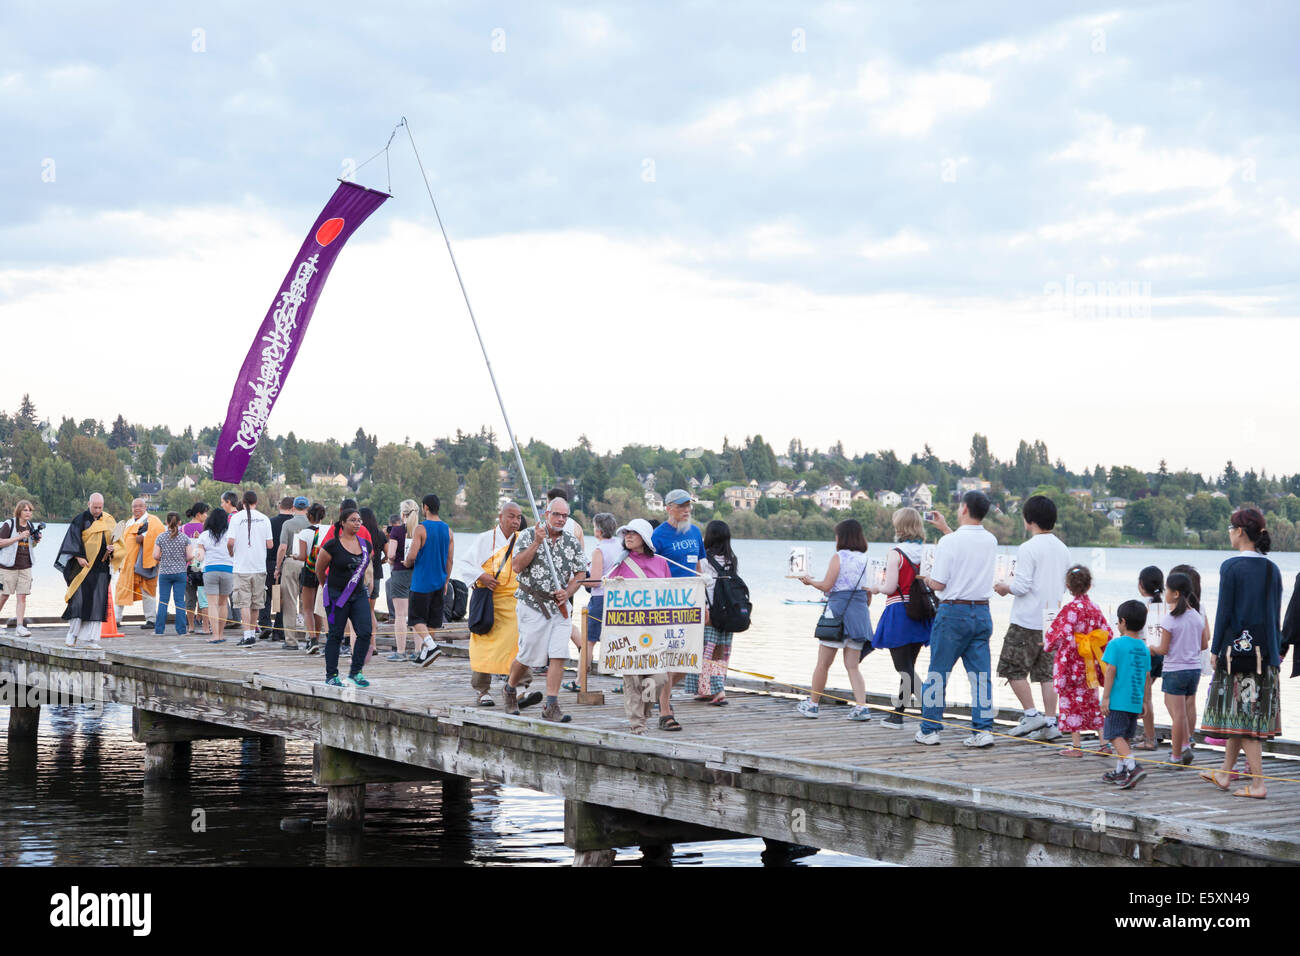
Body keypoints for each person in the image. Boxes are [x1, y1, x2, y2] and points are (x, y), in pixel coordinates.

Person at [1200, 508, 1282, 799]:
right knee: (1240, 714)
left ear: (1240, 532)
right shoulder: (1272, 568)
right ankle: (1224, 773)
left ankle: (1258, 784)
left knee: (1245, 720)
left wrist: (1216, 649)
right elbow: (1274, 616)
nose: (1229, 532)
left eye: (1230, 527)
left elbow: (1224, 612)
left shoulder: (1232, 566)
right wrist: (1277, 650)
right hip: (1266, 654)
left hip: (1238, 656)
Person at [916, 492, 997, 748]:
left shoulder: (949, 543)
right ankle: (983, 730)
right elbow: (966, 545)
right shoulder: (991, 540)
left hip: (953, 612)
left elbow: (939, 582)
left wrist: (926, 579)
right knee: (980, 675)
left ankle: (930, 729)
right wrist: (946, 529)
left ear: (963, 508)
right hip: (982, 612)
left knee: (938, 672)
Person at [503, 495, 588, 723]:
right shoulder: (529, 535)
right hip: (532, 603)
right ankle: (510, 688)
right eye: (556, 514)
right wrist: (536, 544)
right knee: (528, 654)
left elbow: (581, 573)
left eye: (565, 515)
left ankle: (551, 704)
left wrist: (569, 592)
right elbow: (518, 566)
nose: (560, 519)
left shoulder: (571, 541)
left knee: (560, 654)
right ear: (546, 514)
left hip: (560, 607)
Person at [994, 494, 1070, 741]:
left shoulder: (1028, 548)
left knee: (1012, 668)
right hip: (1052, 620)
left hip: (1026, 619)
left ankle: (1031, 714)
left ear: (1029, 520)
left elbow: (1022, 585)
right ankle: (1050, 722)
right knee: (1046, 674)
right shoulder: (1063, 548)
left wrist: (1005, 587)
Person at [796, 518, 873, 721]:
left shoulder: (839, 557)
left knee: (823, 664)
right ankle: (861, 707)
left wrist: (809, 581)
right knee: (853, 666)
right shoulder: (866, 560)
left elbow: (827, 586)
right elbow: (868, 594)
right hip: (859, 614)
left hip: (837, 613)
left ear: (842, 537)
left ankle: (813, 705)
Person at [867, 507, 933, 728]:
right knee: (909, 665)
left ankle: (930, 707)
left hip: (899, 611)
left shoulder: (895, 553)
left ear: (900, 526)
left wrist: (875, 587)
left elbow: (890, 587)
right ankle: (897, 715)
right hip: (921, 612)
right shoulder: (926, 552)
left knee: (903, 668)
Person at [464, 502, 533, 704]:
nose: (515, 521)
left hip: (514, 602)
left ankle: (519, 687)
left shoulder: (522, 540)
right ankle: (482, 690)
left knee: (518, 643)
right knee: (483, 643)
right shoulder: (485, 539)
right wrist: (482, 576)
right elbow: (466, 564)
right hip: (488, 599)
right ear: (500, 517)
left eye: (518, 517)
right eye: (511, 516)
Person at [607, 518, 672, 734]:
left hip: (654, 629)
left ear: (644, 537)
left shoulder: (661, 563)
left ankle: (645, 711)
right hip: (629, 630)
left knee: (658, 679)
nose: (628, 536)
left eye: (633, 533)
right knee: (633, 678)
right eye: (626, 533)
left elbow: (671, 594)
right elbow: (606, 591)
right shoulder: (620, 564)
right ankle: (637, 724)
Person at [1044, 566, 1112, 757]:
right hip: (1089, 662)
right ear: (1090, 585)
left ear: (1068, 586)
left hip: (1071, 663)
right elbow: (1107, 633)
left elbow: (1057, 635)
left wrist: (1048, 644)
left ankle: (1077, 747)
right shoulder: (1095, 608)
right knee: (1092, 701)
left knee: (1070, 702)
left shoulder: (1070, 609)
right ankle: (1103, 743)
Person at [651, 489, 705, 725]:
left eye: (688, 506)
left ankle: (658, 693)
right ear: (668, 508)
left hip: (692, 602)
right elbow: (650, 570)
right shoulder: (657, 536)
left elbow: (698, 568)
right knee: (669, 657)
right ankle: (665, 711)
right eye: (681, 506)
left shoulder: (695, 532)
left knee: (690, 657)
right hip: (667, 603)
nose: (687, 510)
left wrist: (704, 599)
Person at [683, 519, 740, 705]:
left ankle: (717, 690)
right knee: (720, 652)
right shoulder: (732, 559)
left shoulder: (704, 559)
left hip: (709, 612)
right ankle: (708, 689)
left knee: (705, 652)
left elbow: (699, 585)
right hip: (728, 614)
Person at [1153, 570, 1208, 766]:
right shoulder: (1196, 616)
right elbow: (1203, 645)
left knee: (1177, 715)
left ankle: (1176, 755)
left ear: (1175, 594)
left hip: (1175, 670)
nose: (1165, 592)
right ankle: (1185, 744)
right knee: (1179, 710)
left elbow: (1163, 649)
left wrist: (1150, 648)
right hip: (1193, 670)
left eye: (1167, 589)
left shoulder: (1169, 619)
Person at [315, 506, 373, 688]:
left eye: (359, 520)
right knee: (335, 635)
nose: (357, 523)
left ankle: (356, 672)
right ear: (343, 523)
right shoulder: (332, 545)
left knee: (365, 632)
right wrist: (327, 587)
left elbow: (365, 568)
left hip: (359, 594)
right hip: (336, 595)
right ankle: (331, 674)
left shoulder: (365, 544)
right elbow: (319, 569)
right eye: (353, 520)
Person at [1100, 600, 1153, 789]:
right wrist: (1146, 701)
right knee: (1125, 737)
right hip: (1134, 700)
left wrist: (1105, 697)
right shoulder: (1144, 648)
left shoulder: (1116, 644)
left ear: (1122, 622)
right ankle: (1121, 771)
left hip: (1118, 700)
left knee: (1114, 735)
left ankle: (1133, 767)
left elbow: (1110, 671)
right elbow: (1147, 678)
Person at [54, 494, 116, 649]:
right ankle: (72, 635)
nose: (97, 510)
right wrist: (78, 556)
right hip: (83, 568)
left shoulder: (109, 520)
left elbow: (118, 542)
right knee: (78, 602)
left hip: (101, 568)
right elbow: (72, 540)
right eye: (94, 507)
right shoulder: (80, 519)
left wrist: (113, 549)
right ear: (89, 504)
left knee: (97, 602)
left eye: (100, 507)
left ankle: (91, 640)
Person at [404, 493, 452, 667]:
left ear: (425, 507)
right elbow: (450, 560)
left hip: (422, 581)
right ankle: (425, 654)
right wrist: (446, 581)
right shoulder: (448, 530)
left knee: (416, 619)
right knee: (432, 621)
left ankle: (431, 647)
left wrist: (406, 562)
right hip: (439, 581)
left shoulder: (421, 528)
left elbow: (412, 555)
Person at [226, 490, 274, 647]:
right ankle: (252, 633)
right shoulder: (265, 518)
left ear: (243, 502)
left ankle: (247, 635)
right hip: (259, 566)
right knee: (256, 603)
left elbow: (231, 542)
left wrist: (231, 553)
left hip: (241, 566)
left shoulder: (236, 518)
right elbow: (270, 544)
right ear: (256, 502)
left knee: (244, 602)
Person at [113, 498, 164, 629]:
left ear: (145, 507)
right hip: (127, 565)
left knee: (148, 592)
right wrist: (118, 562)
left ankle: (151, 620)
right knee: (121, 590)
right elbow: (120, 543)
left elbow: (160, 537)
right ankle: (116, 619)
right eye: (134, 506)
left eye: (140, 506)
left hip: (144, 564)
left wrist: (144, 538)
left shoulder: (153, 521)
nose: (137, 509)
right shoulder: (129, 523)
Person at [1133, 565, 1165, 750]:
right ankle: (1147, 733)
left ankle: (1150, 738)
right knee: (1145, 697)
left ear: (1141, 585)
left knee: (1145, 698)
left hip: (1146, 655)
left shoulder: (1143, 607)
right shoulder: (1166, 607)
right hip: (1161, 656)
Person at [0, 499, 40, 636]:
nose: (28, 513)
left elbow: (30, 545)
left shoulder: (30, 525)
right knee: (4, 595)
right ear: (19, 511)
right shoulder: (9, 524)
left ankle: (20, 627)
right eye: (25, 510)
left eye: (30, 510)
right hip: (8, 567)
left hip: (25, 566)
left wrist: (36, 540)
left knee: (22, 597)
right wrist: (18, 537)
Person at [193, 508, 234, 643]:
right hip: (228, 570)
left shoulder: (204, 535)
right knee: (223, 604)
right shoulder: (230, 534)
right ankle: (221, 634)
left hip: (210, 570)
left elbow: (200, 555)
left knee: (212, 604)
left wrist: (198, 556)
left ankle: (215, 635)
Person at [385, 499, 419, 661]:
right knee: (417, 614)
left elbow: (391, 554)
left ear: (402, 514)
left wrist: (391, 561)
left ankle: (400, 651)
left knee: (400, 615)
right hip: (417, 574)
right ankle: (419, 650)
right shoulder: (421, 530)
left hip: (400, 573)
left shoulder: (397, 531)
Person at [276, 496, 310, 650]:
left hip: (291, 561)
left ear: (293, 508)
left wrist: (278, 567)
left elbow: (283, 547)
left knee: (290, 601)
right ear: (307, 508)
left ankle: (291, 640)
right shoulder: (312, 524)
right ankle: (311, 638)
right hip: (309, 563)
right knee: (308, 603)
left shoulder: (288, 524)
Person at [150, 512, 192, 635]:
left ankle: (159, 630)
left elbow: (155, 555)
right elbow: (190, 556)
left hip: (165, 573)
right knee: (179, 601)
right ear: (179, 522)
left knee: (163, 601)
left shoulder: (160, 537)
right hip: (180, 572)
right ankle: (181, 630)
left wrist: (164, 559)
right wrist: (181, 560)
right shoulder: (184, 538)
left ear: (166, 522)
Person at [296, 503, 328, 653]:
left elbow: (303, 556)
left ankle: (312, 639)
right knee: (318, 608)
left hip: (309, 570)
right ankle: (319, 637)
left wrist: (294, 556)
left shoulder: (304, 533)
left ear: (309, 517)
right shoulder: (328, 531)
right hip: (323, 571)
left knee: (307, 608)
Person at [263, 497, 296, 641]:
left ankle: (264, 624)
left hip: (269, 561)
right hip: (288, 561)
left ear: (279, 506)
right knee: (282, 597)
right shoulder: (294, 524)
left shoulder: (270, 522)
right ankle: (278, 629)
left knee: (268, 594)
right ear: (293, 508)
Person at [182, 504, 211, 635]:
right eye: (205, 513)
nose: (207, 516)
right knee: (204, 599)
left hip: (187, 568)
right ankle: (205, 626)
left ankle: (191, 626)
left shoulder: (182, 528)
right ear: (199, 514)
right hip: (202, 567)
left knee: (189, 598)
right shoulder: (206, 529)